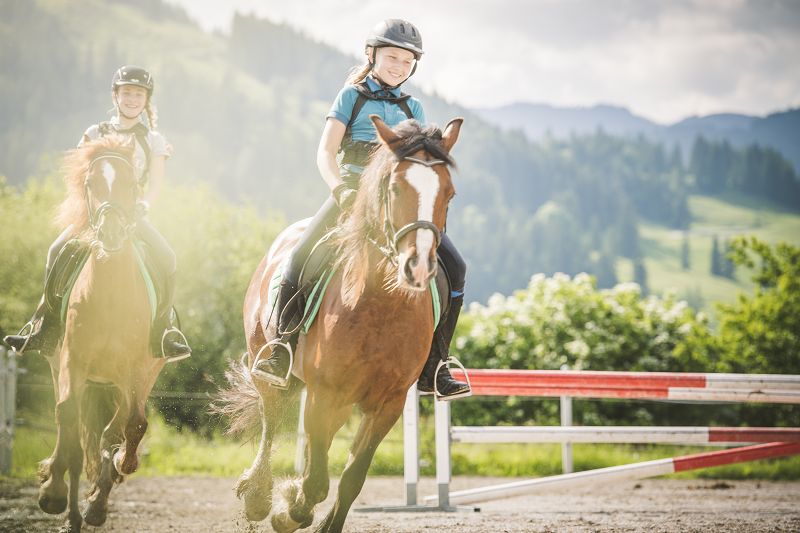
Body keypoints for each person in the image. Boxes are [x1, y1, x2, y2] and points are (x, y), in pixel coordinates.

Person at [255, 19, 470, 400]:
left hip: (395, 201)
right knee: (300, 257)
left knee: (455, 267)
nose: (399, 66)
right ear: (372, 56)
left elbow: (417, 163)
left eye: (407, 61)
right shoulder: (350, 97)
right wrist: (338, 188)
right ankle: (281, 348)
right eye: (392, 57)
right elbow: (325, 151)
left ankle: (436, 364)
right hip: (351, 193)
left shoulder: (413, 106)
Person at [4, 65, 191, 359]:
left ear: (146, 100)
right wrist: (85, 211)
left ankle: (163, 332)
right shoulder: (94, 133)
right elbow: (80, 180)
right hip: (94, 217)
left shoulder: (153, 140)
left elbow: (155, 184)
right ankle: (43, 325)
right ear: (115, 95)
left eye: (138, 94)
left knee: (167, 257)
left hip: (131, 217)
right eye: (127, 92)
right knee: (56, 250)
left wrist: (144, 206)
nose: (132, 99)